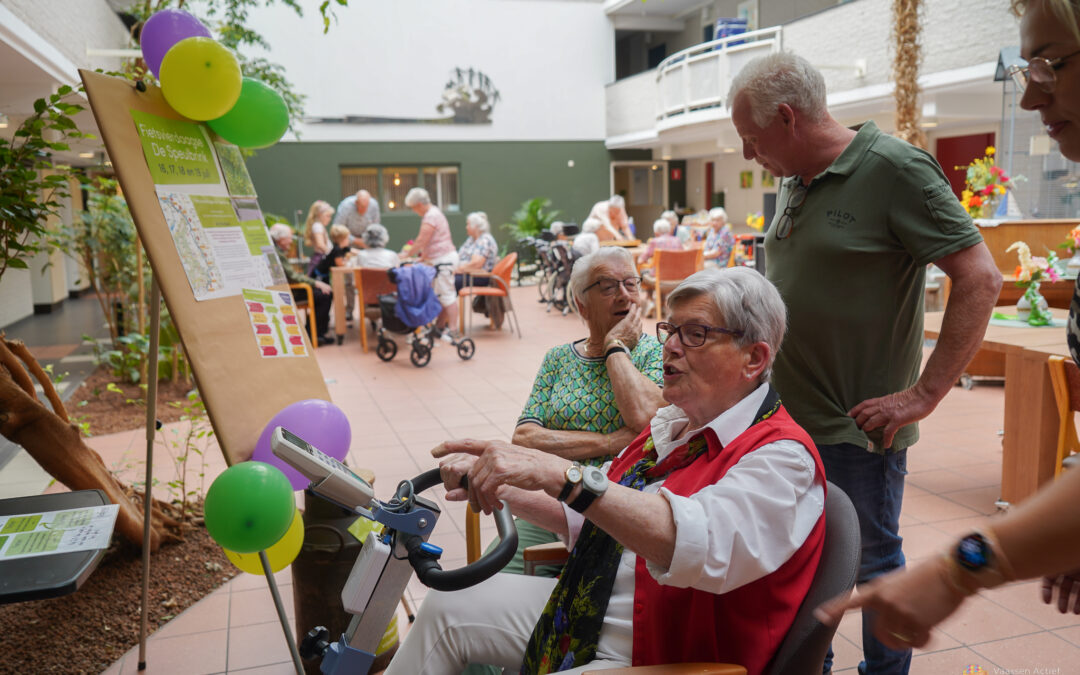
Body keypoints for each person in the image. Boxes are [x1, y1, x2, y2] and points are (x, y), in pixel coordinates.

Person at [386, 267, 827, 674]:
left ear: (753, 359)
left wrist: (563, 474)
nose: (670, 344)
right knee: (446, 606)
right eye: (671, 329)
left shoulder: (783, 459)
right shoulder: (673, 426)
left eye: (695, 333)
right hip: (594, 607)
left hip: (662, 653)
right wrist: (500, 479)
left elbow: (692, 542)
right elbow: (592, 514)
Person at [816, 0, 1080, 648]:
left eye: (1048, 65)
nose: (1028, 102)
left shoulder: (895, 169)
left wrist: (960, 567)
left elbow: (981, 277)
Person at [728, 52, 1001, 674]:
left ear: (789, 119)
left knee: (873, 564)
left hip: (856, 427)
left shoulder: (895, 169)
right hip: (785, 422)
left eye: (751, 139)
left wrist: (924, 394)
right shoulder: (793, 175)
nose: (748, 155)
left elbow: (980, 277)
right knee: (798, 561)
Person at [504, 246, 665, 576]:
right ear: (581, 304)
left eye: (631, 284)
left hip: (620, 506)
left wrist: (615, 347)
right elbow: (524, 437)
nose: (624, 295)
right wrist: (609, 441)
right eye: (608, 287)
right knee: (491, 580)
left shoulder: (657, 353)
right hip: (549, 498)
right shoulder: (559, 358)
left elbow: (646, 422)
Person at [404, 187, 459, 337]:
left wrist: (406, 254)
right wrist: (423, 257)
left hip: (444, 260)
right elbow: (431, 241)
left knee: (447, 294)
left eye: (414, 208)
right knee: (440, 294)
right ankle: (439, 326)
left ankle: (453, 330)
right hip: (439, 259)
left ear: (419, 205)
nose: (415, 211)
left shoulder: (430, 216)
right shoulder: (433, 213)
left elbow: (422, 239)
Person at [268, 223, 334, 346]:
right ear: (280, 239)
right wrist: (316, 283)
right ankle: (315, 333)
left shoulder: (275, 250)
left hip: (290, 288)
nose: (290, 241)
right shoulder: (277, 253)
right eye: (289, 238)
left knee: (322, 293)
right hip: (291, 291)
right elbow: (293, 277)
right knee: (325, 294)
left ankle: (314, 331)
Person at [455, 211, 499, 292]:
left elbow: (476, 264)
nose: (466, 227)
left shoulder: (484, 240)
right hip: (468, 273)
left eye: (468, 224)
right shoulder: (471, 240)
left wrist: (457, 270)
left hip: (479, 276)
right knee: (445, 280)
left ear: (475, 226)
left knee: (450, 282)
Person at [303, 200, 334, 276]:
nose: (329, 219)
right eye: (328, 216)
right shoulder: (317, 226)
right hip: (319, 260)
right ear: (320, 215)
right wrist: (332, 254)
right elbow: (320, 244)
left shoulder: (319, 226)